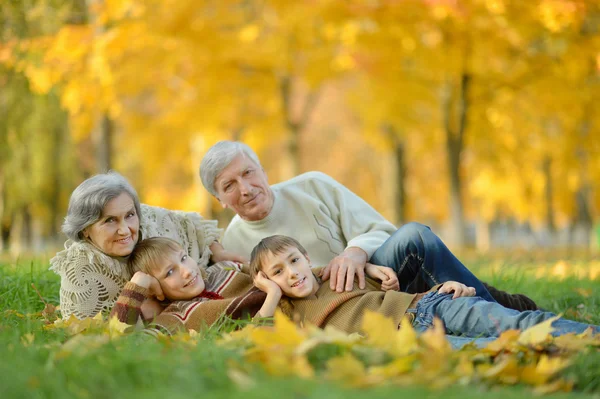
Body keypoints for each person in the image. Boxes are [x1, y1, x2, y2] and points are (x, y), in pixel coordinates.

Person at [199, 141, 537, 311]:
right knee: (455, 283)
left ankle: (497, 309)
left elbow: (381, 227)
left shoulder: (313, 185)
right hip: (345, 307)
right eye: (229, 186)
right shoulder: (235, 243)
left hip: (381, 274)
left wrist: (356, 252)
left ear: (262, 170)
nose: (244, 189)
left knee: (415, 236)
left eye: (248, 173)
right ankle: (503, 306)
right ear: (221, 200)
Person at [249, 235, 598, 349]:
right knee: (496, 348)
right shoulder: (287, 315)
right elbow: (260, 336)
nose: (293, 273)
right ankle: (572, 354)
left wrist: (444, 287)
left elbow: (392, 283)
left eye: (294, 261)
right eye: (278, 272)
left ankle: (590, 338)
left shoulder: (336, 275)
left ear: (306, 257)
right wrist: (271, 294)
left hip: (431, 304)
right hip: (413, 341)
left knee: (519, 323)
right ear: (267, 281)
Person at [50, 171, 246, 320]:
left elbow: (191, 224)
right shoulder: (81, 267)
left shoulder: (149, 219)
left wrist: (217, 251)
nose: (125, 230)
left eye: (129, 216)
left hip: (200, 288)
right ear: (85, 229)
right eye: (110, 221)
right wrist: (138, 287)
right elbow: (91, 336)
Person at [110, 237, 267, 335]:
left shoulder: (222, 268)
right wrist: (137, 287)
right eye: (170, 272)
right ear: (154, 289)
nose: (187, 271)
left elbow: (274, 273)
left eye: (184, 258)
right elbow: (123, 340)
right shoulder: (175, 318)